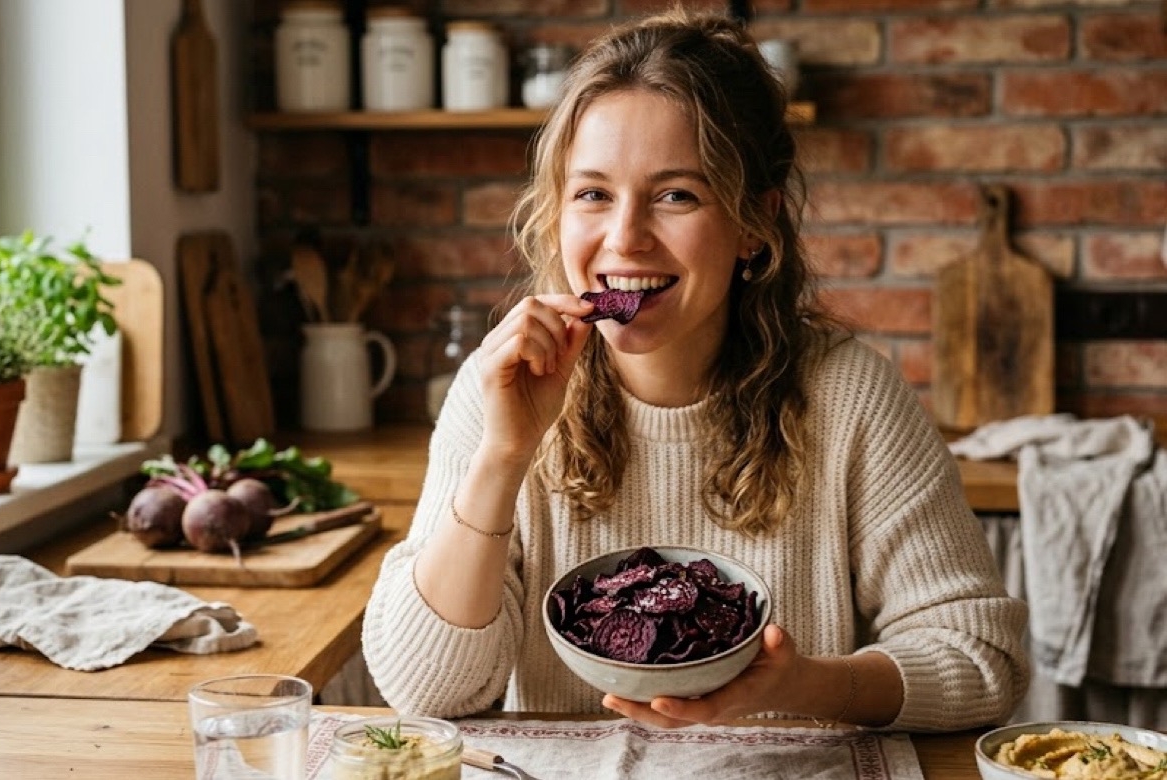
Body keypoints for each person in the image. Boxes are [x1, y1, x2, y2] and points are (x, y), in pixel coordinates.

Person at [361, 8, 1029, 731]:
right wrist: (503, 456)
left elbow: (981, 658)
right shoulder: (501, 391)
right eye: (592, 194)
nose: (624, 238)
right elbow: (425, 691)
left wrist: (798, 686)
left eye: (676, 194)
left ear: (753, 224)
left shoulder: (850, 397)